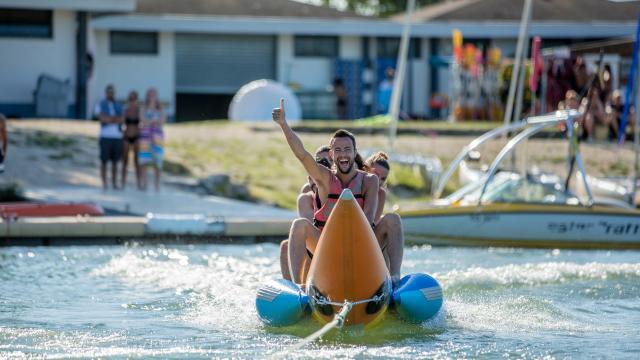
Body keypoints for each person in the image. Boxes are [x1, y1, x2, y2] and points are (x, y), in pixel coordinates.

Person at [273, 99, 379, 285]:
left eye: (347, 149)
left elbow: (369, 219)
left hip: (359, 245)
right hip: (325, 247)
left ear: (355, 153)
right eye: (338, 150)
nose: (343, 154)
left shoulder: (369, 181)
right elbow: (302, 154)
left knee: (393, 220)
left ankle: (392, 280)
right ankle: (297, 287)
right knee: (299, 224)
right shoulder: (324, 179)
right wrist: (284, 125)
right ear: (331, 155)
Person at [364, 151, 404, 286]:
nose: (378, 181)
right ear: (365, 169)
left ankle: (394, 277)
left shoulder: (380, 193)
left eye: (383, 179)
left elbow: (372, 223)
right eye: (376, 175)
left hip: (367, 241)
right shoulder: (353, 185)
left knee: (392, 220)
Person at [95, 84, 124, 189]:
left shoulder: (119, 105)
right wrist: (113, 119)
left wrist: (110, 119)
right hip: (105, 136)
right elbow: (102, 118)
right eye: (109, 92)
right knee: (104, 161)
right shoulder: (100, 104)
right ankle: (104, 183)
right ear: (106, 93)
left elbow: (122, 119)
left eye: (112, 92)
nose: (111, 94)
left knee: (116, 162)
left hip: (117, 136)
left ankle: (114, 183)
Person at [138, 88, 165, 191]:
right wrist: (154, 121)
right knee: (144, 161)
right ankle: (144, 183)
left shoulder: (160, 108)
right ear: (147, 96)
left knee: (157, 162)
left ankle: (157, 185)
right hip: (145, 138)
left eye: (154, 94)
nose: (152, 96)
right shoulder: (143, 107)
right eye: (150, 94)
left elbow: (162, 121)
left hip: (157, 138)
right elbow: (142, 120)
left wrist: (149, 121)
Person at [122, 90, 141, 189]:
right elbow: (122, 122)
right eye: (130, 98)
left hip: (136, 136)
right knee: (125, 160)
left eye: (133, 98)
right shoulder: (126, 110)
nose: (132, 100)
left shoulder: (139, 110)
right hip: (127, 136)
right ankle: (123, 183)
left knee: (137, 161)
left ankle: (139, 183)